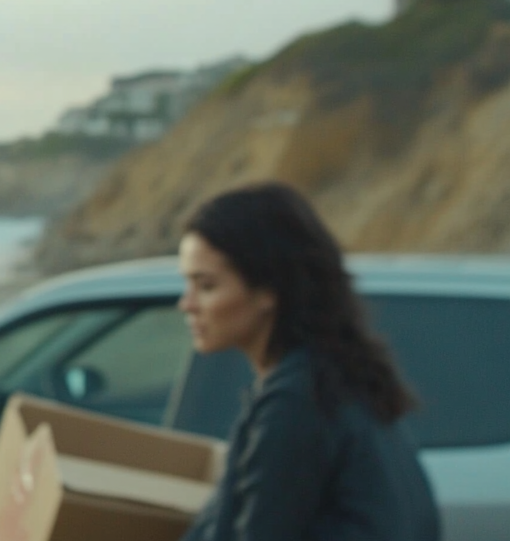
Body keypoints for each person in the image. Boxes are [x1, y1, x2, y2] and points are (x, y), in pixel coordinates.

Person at [177, 182, 439, 541]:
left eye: (206, 286)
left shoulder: (297, 402)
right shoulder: (340, 380)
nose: (187, 304)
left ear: (268, 290)